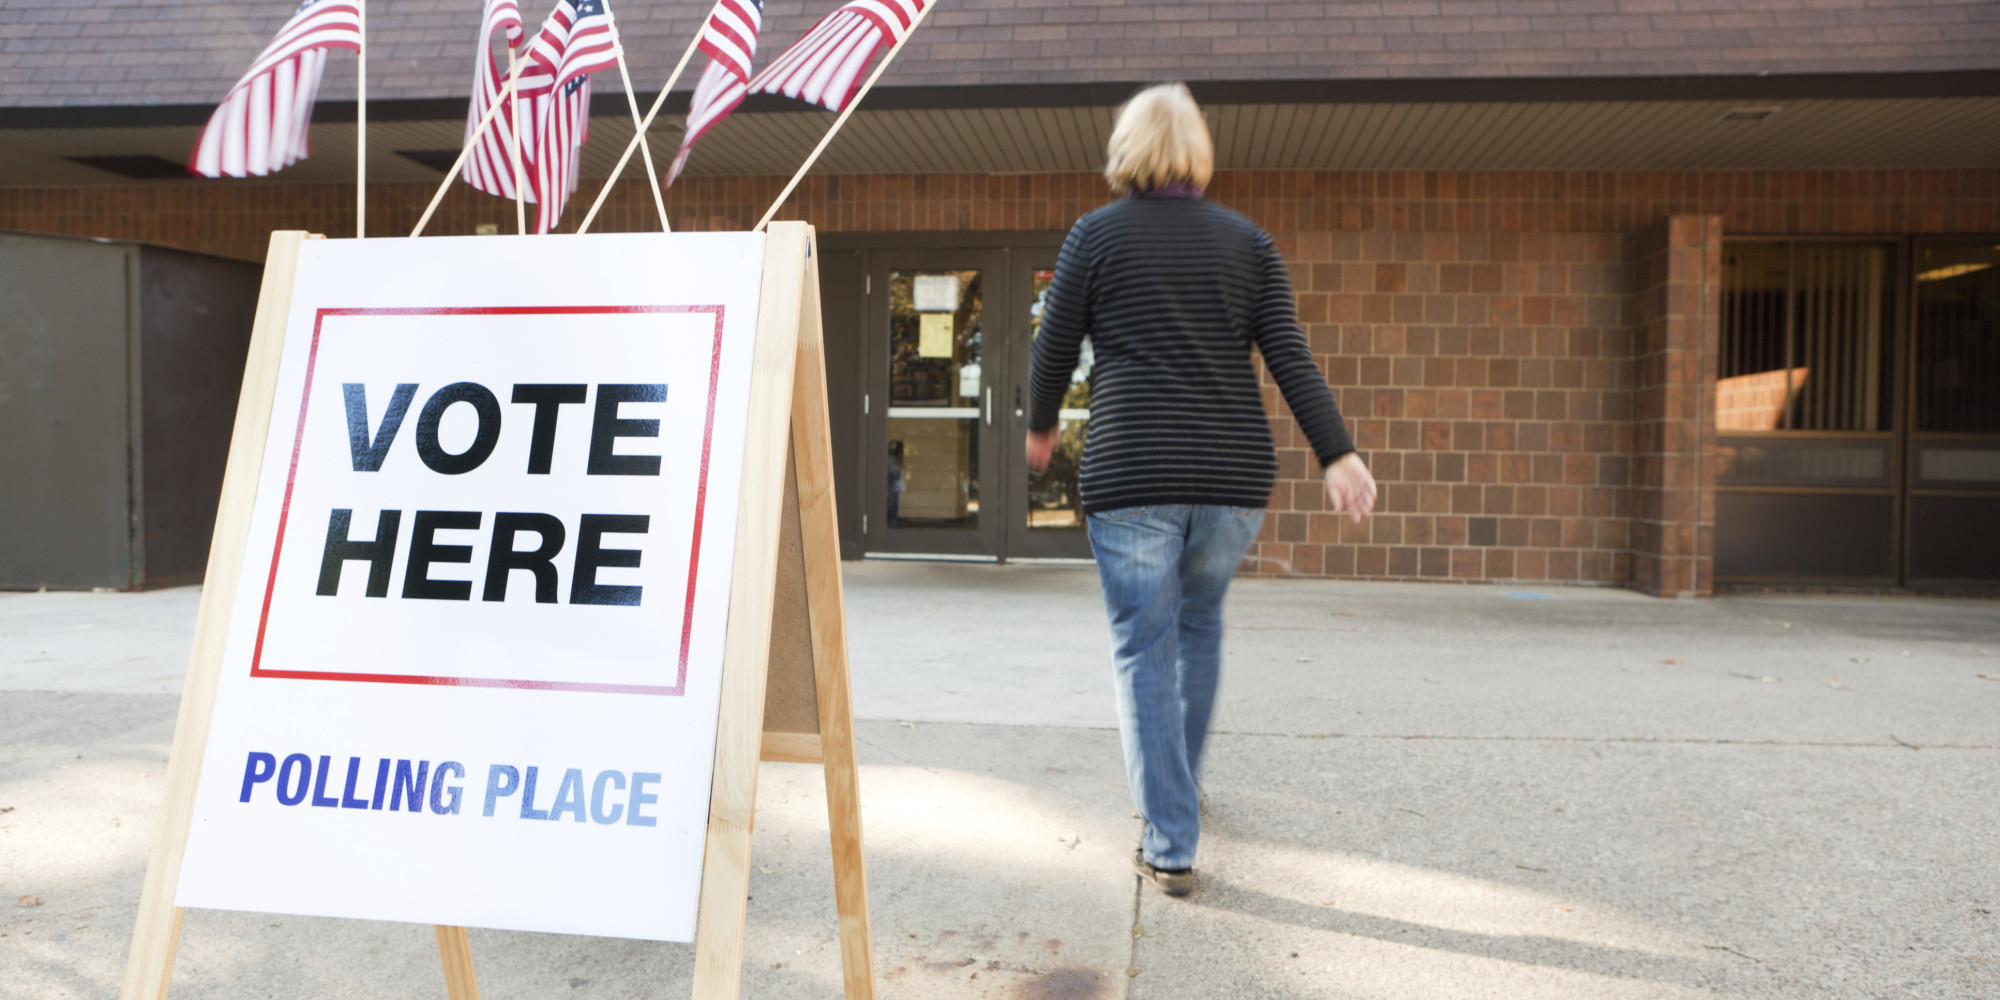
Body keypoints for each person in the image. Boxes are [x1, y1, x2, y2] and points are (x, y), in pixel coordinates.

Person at [1025, 82, 1377, 897]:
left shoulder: (1095, 236)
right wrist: (1338, 453)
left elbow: (1053, 351)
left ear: (1126, 148)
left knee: (1144, 646)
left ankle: (1172, 836)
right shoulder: (1247, 242)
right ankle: (1176, 797)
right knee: (1198, 627)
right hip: (1231, 477)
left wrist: (1041, 429)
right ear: (1198, 151)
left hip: (1133, 468)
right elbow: (1289, 354)